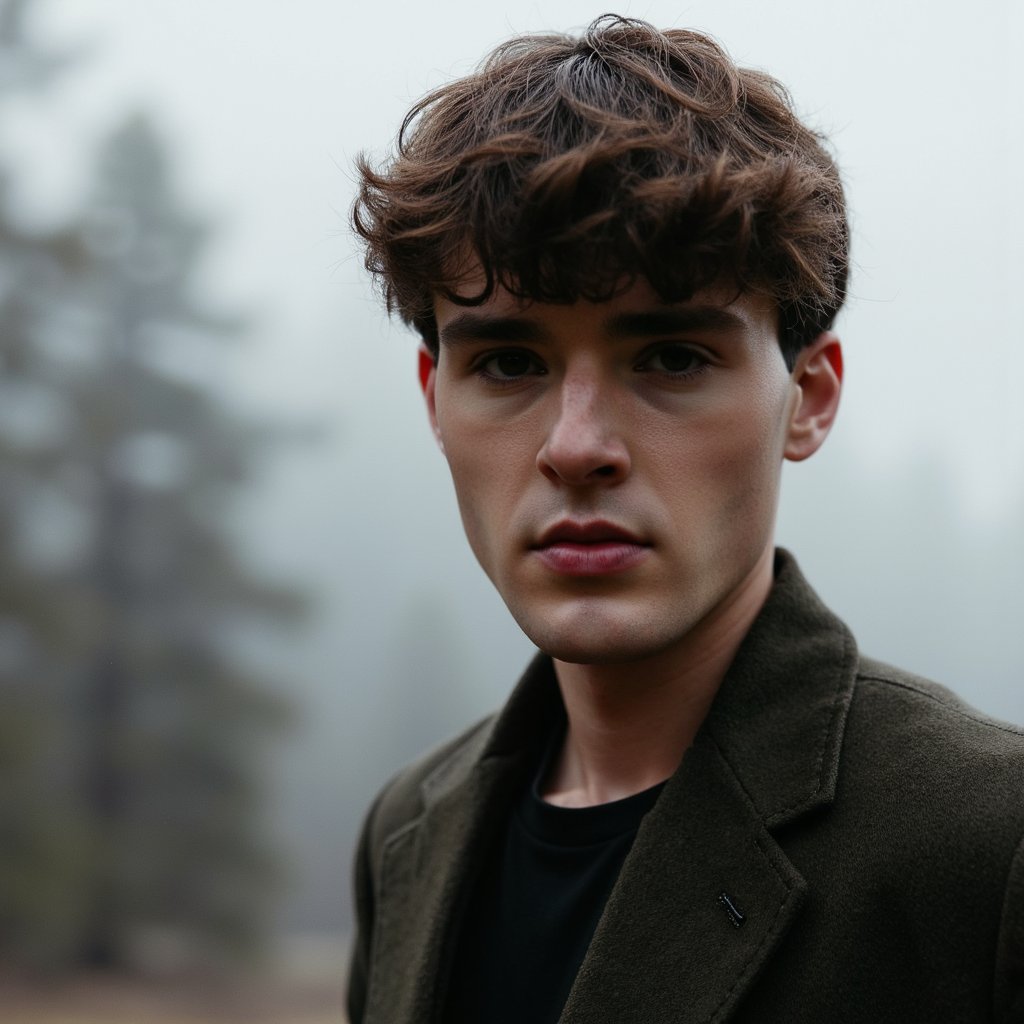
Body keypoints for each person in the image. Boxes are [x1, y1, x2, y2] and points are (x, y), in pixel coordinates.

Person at [347, 15, 1024, 1023]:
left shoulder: (988, 843)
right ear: (433, 397)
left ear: (809, 395)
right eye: (509, 363)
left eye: (668, 357)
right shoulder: (408, 830)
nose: (576, 446)